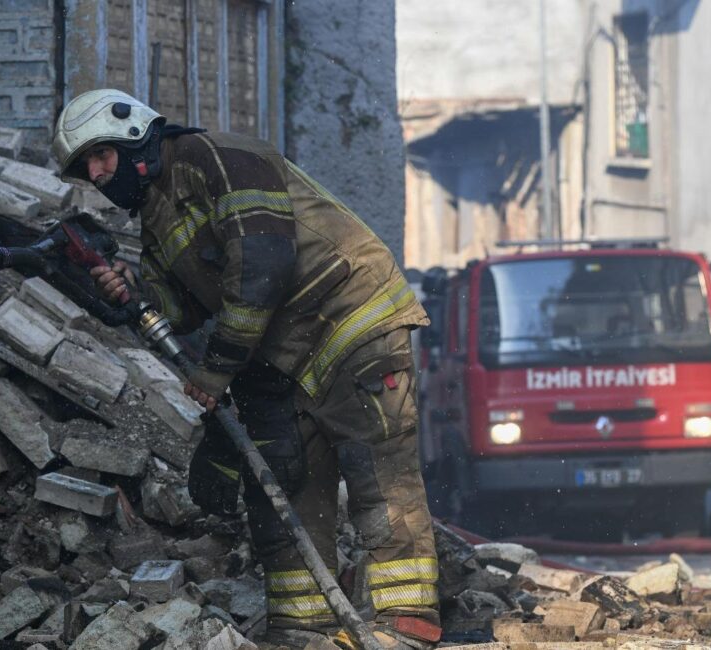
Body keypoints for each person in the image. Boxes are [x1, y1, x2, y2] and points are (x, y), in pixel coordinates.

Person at [51, 89, 441, 649]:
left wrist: (214, 374)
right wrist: (132, 290)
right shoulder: (157, 215)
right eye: (85, 168)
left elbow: (264, 267)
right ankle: (300, 630)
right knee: (285, 482)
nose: (97, 174)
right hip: (283, 356)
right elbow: (181, 311)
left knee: (375, 473)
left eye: (101, 156)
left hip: (350, 323)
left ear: (135, 133)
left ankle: (407, 623)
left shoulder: (221, 159)